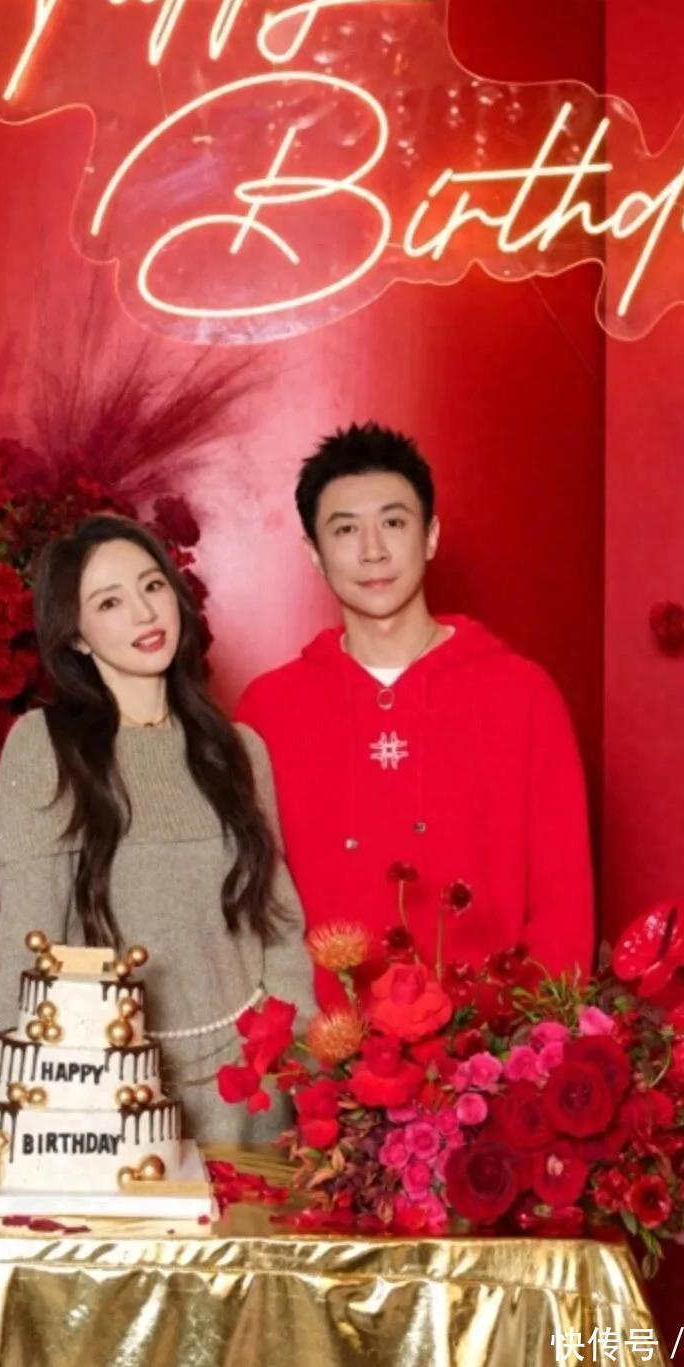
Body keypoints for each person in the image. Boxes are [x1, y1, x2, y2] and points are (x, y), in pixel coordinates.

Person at [0, 514, 313, 1152]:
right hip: (111, 1104)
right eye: (110, 603)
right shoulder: (45, 748)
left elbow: (279, 931)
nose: (144, 613)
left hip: (253, 1098)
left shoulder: (239, 750)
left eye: (153, 586)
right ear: (76, 636)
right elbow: (28, 951)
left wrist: (309, 1077)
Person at [235, 422, 594, 1001]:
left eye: (394, 523)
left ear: (430, 536)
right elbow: (251, 899)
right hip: (322, 1045)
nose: (372, 550)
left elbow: (564, 900)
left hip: (496, 1041)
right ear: (314, 554)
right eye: (345, 529)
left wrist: (539, 1036)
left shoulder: (523, 693)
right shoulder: (267, 709)